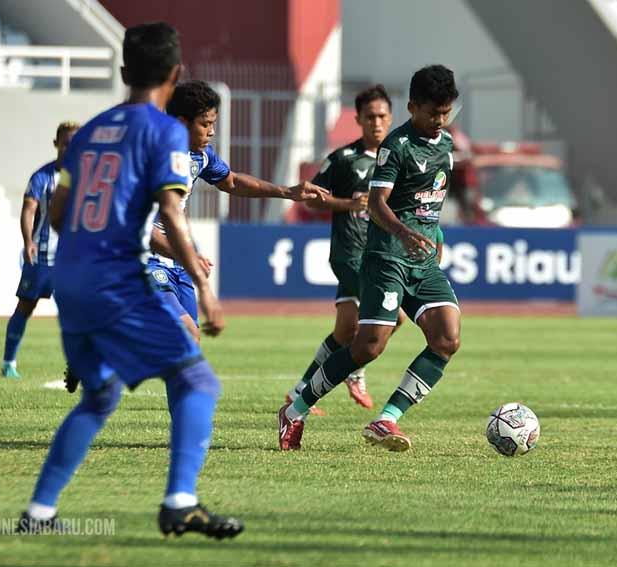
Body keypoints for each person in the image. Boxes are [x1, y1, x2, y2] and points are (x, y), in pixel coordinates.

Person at [17, 23, 242, 540]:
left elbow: (57, 212)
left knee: (100, 397)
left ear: (123, 72)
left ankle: (40, 513)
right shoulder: (165, 131)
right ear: (175, 74)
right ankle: (180, 503)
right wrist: (203, 285)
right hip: (118, 280)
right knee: (198, 381)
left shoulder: (90, 131)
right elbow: (172, 209)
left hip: (69, 279)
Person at [278, 65, 461, 452]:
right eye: (432, 113)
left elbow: (431, 204)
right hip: (387, 258)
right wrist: (403, 233)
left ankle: (386, 419)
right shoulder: (397, 147)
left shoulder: (446, 145)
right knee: (366, 348)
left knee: (447, 338)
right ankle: (295, 409)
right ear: (413, 107)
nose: (439, 120)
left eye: (445, 112)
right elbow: (377, 205)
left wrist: (435, 238)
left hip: (423, 262)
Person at [147, 80, 325, 341]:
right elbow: (140, 228)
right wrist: (188, 256)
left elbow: (231, 181)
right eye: (205, 124)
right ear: (183, 123)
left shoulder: (200, 156)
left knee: (190, 342)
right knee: (185, 333)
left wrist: (287, 192)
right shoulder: (153, 157)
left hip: (177, 261)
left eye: (213, 124)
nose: (212, 132)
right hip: (146, 259)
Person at [283, 85, 398, 412]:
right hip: (349, 253)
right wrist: (348, 203)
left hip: (380, 254)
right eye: (370, 117)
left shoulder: (397, 158)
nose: (377, 123)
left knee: (347, 328)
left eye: (382, 116)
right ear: (359, 119)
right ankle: (356, 370)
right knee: (396, 316)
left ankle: (300, 390)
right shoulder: (344, 159)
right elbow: (313, 199)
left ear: (390, 119)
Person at [1, 121, 80, 379]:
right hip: (42, 255)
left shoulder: (85, 179)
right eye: (66, 142)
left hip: (72, 259)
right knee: (26, 306)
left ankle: (77, 365)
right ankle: (8, 362)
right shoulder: (42, 177)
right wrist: (28, 242)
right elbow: (29, 210)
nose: (70, 148)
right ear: (56, 144)